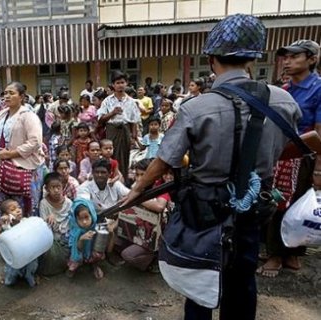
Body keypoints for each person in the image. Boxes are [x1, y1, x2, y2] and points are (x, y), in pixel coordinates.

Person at [123, 14, 302, 320]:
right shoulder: (284, 100)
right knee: (243, 277)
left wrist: (137, 189)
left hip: (205, 210)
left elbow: (165, 160)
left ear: (211, 58)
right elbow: (289, 145)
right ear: (254, 57)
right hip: (253, 207)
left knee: (201, 278)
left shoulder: (196, 107)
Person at [259, 39, 321, 277]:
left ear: (312, 59)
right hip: (281, 154)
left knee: (298, 204)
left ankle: (289, 253)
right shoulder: (283, 90)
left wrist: (318, 170)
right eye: (286, 57)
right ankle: (276, 251)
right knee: (277, 203)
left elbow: (319, 130)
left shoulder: (317, 88)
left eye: (295, 56)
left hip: (305, 156)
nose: (288, 60)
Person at [0, 81, 46, 216]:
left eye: (11, 93)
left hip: (24, 166)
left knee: (24, 207)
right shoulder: (1, 114)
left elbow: (35, 142)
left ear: (21, 97)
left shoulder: (29, 116)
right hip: (1, 165)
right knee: (5, 206)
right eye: (5, 93)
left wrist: (11, 154)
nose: (7, 96)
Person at [97, 71, 140, 179]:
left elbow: (134, 121)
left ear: (126, 83)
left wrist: (133, 137)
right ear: (113, 85)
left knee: (125, 156)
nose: (120, 85)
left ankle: (123, 180)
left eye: (122, 82)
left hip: (125, 130)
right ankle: (111, 178)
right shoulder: (107, 101)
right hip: (112, 130)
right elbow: (100, 119)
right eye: (117, 82)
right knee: (110, 154)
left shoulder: (131, 101)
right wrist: (112, 113)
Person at [0, 199, 39, 287]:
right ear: (5, 215)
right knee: (9, 281)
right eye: (13, 209)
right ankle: (9, 278)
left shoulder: (25, 222)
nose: (18, 210)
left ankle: (29, 275)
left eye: (19, 207)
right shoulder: (5, 226)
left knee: (32, 267)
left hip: (28, 255)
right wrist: (0, 223)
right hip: (13, 257)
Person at [66, 198, 111, 280]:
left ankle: (95, 265)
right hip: (80, 254)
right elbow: (76, 248)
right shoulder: (75, 230)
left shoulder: (97, 228)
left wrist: (110, 233)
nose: (84, 222)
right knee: (74, 258)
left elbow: (103, 246)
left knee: (98, 253)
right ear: (76, 219)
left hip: (92, 253)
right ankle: (77, 265)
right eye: (80, 219)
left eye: (87, 217)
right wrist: (81, 239)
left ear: (92, 215)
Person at [38, 172, 72, 276]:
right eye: (53, 187)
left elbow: (71, 223)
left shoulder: (69, 203)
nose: (56, 190)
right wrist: (48, 218)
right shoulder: (44, 203)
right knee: (49, 254)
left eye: (58, 187)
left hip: (66, 236)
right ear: (47, 189)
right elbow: (42, 226)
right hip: (52, 237)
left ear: (63, 187)